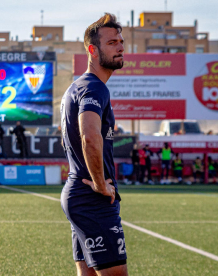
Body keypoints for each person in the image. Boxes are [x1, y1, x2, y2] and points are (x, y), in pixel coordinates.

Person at [60, 14, 127, 276]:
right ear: (93, 50)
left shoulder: (76, 87)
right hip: (91, 197)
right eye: (112, 42)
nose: (121, 46)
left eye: (121, 41)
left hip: (78, 193)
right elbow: (89, 136)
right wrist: (100, 183)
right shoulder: (94, 87)